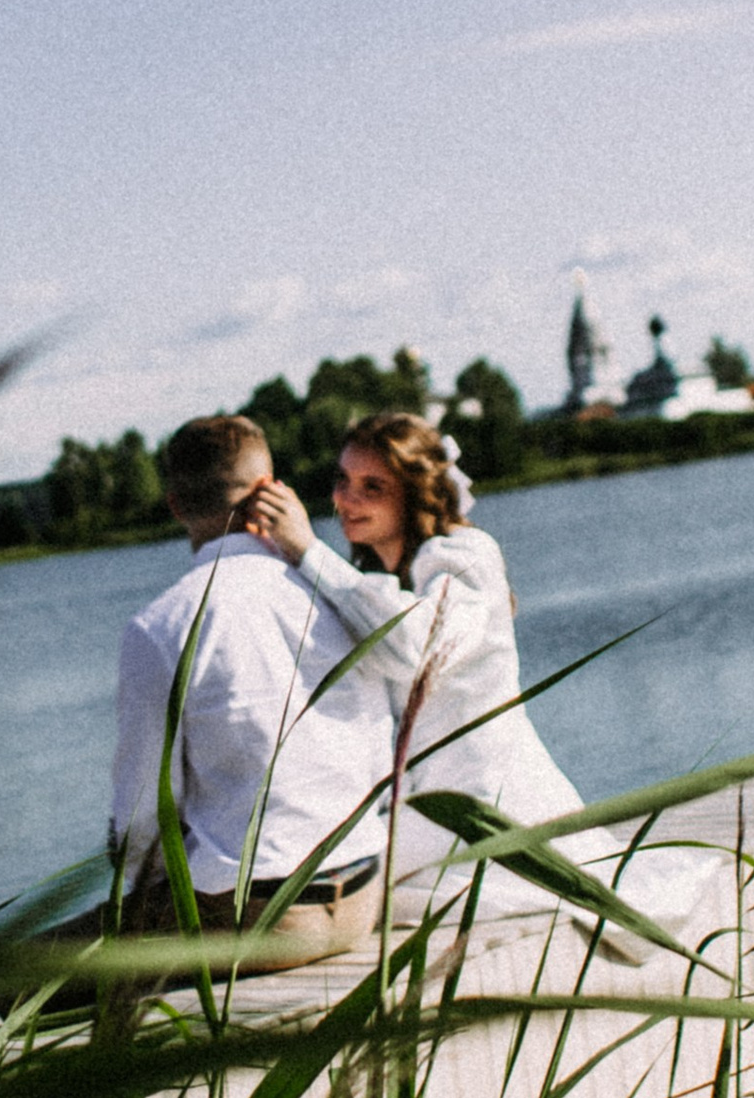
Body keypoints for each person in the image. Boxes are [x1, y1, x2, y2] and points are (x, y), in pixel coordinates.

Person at [235, 407, 590, 874]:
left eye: (373, 487)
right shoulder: (373, 580)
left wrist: (308, 549)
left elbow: (418, 650)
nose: (346, 499)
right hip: (423, 806)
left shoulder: (464, 555)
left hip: (487, 804)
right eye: (342, 480)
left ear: (414, 492)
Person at [109, 412, 397, 968]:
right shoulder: (337, 593)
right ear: (272, 490)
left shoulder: (161, 625)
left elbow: (143, 822)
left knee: (21, 971)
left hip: (264, 920)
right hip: (365, 895)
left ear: (175, 505)